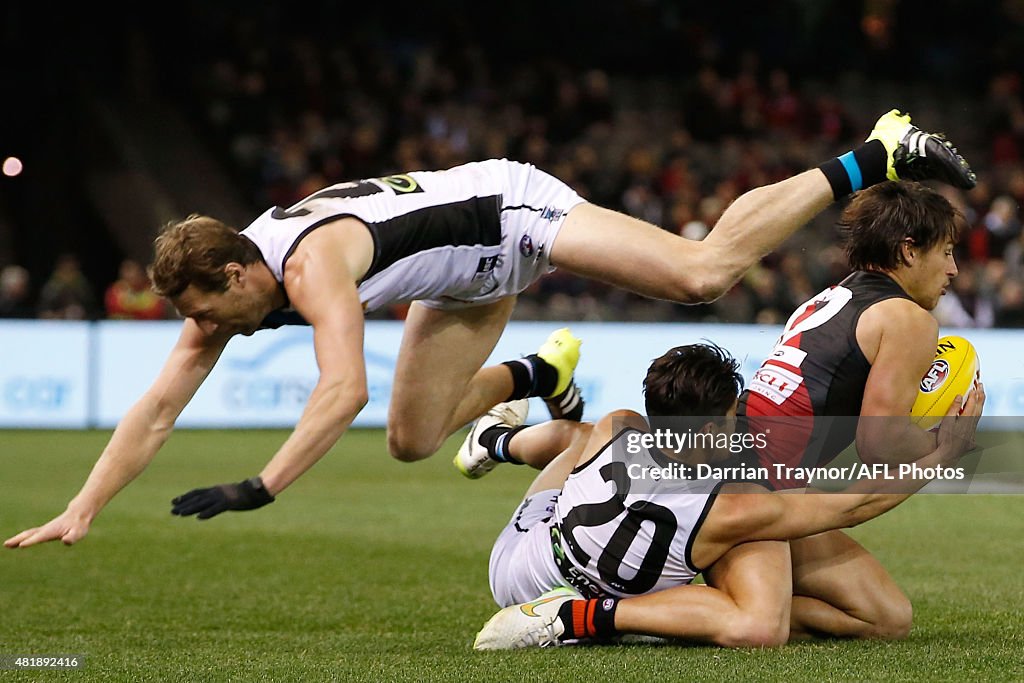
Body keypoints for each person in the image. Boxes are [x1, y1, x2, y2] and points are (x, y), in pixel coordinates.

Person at [5, 109, 976, 549]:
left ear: (234, 272)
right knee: (411, 438)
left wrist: (263, 483)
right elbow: (158, 406)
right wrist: (84, 504)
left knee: (699, 272)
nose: (197, 329)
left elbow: (336, 385)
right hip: (462, 278)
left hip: (509, 212)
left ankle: (870, 151)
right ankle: (535, 377)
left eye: (202, 309)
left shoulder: (308, 268)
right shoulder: (239, 276)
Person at [470, 343, 984, 649]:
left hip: (517, 562)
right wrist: (942, 456)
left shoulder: (619, 427)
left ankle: (494, 441)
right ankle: (577, 619)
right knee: (758, 624)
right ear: (716, 424)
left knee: (575, 436)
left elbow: (583, 440)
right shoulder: (732, 508)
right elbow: (854, 503)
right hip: (580, 597)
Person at [736, 178, 976, 639]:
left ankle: (748, 591)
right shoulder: (908, 318)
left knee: (886, 618)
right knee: (761, 627)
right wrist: (948, 443)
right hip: (753, 495)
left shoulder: (831, 295)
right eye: (946, 252)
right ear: (909, 251)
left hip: (748, 475)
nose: (954, 270)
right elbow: (879, 444)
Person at [104, 258, 170, 320]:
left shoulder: (153, 291)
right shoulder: (115, 290)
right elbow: (114, 310)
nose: (130, 276)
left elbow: (155, 312)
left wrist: (130, 307)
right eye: (127, 271)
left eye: (133, 271)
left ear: (141, 273)